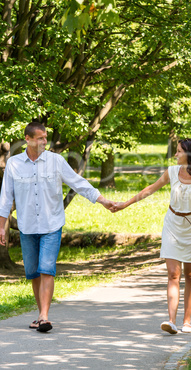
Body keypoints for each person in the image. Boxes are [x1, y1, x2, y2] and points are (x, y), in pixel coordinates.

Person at [0, 122, 115, 332]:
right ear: (28, 139)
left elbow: (78, 183)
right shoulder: (14, 164)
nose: (45, 141)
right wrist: (2, 226)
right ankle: (40, 313)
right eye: (41, 138)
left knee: (46, 269)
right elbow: (6, 197)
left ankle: (44, 317)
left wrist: (103, 200)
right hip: (27, 226)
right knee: (34, 273)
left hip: (51, 224)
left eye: (46, 137)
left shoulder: (56, 161)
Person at [111, 138, 191, 334]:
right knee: (173, 274)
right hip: (172, 225)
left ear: (189, 154)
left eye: (178, 151)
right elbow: (149, 189)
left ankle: (187, 321)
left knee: (190, 275)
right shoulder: (172, 172)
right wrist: (125, 204)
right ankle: (171, 321)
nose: (175, 155)